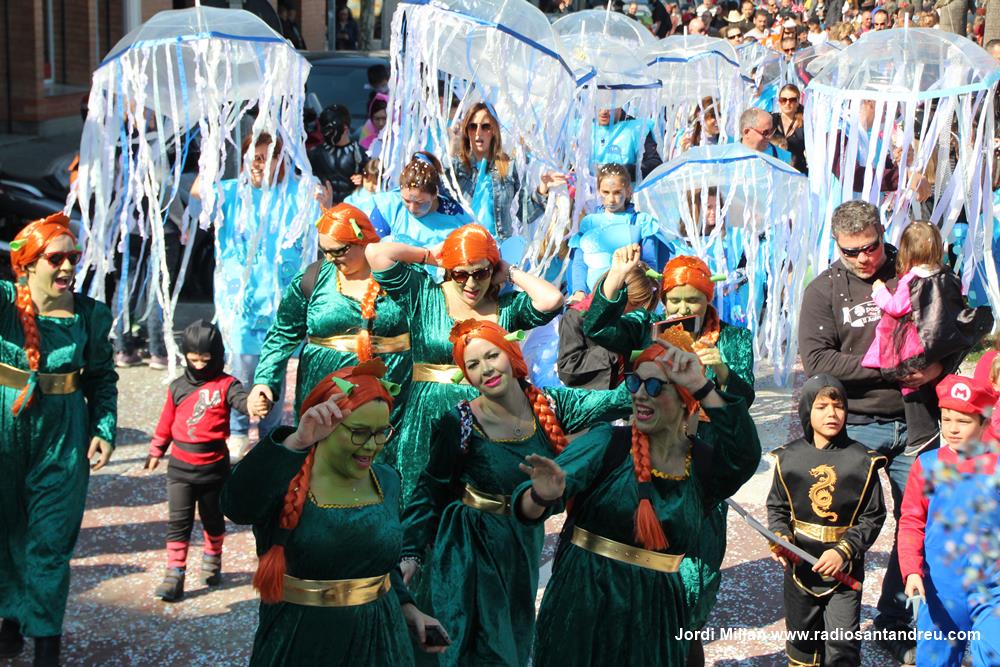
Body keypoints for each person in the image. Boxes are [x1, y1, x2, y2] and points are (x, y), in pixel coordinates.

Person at [400, 320, 632, 666]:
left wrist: (662, 362)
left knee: (514, 638)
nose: (485, 370)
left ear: (510, 354)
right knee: (475, 646)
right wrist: (410, 554)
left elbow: (617, 401)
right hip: (468, 545)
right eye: (473, 365)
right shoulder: (460, 422)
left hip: (521, 544)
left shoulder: (551, 404)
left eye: (491, 356)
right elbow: (430, 490)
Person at [514, 341, 760, 665]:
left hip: (657, 612)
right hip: (584, 600)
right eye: (635, 382)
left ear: (684, 398)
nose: (641, 393)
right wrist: (540, 495)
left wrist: (702, 386)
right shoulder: (607, 443)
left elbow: (745, 454)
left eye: (655, 385)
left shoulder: (702, 466)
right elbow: (527, 509)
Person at [222, 361, 447, 665]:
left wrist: (408, 608)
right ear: (325, 422)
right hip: (304, 640)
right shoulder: (286, 476)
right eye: (358, 432)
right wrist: (297, 441)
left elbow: (379, 558)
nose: (372, 446)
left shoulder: (387, 480)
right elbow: (236, 505)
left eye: (382, 432)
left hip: (383, 639)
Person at [797, 200, 934, 663]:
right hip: (855, 423)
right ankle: (830, 627)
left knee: (919, 523)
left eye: (872, 247)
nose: (863, 258)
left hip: (917, 419)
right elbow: (819, 362)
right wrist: (890, 366)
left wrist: (937, 364)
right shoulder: (824, 290)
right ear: (837, 246)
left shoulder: (915, 267)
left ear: (882, 233)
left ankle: (895, 620)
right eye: (851, 251)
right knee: (839, 523)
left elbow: (956, 327)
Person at [366, 224, 564, 500]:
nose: (471, 284)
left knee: (476, 496)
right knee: (419, 496)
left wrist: (510, 271)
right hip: (429, 415)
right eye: (460, 273)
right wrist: (428, 255)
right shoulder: (424, 294)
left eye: (481, 273)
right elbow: (375, 253)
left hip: (487, 415)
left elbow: (552, 299)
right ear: (449, 270)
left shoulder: (505, 308)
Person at [0, 213, 117, 666]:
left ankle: (46, 640)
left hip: (63, 434)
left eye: (73, 256)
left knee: (51, 538)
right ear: (28, 265)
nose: (68, 267)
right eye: (56, 258)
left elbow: (103, 378)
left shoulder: (89, 314)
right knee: (7, 528)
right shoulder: (7, 303)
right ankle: (11, 619)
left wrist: (104, 428)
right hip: (5, 430)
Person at [190, 132, 313, 459]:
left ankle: (271, 434)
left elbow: (322, 219)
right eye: (253, 157)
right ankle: (239, 430)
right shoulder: (231, 193)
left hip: (280, 305)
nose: (259, 164)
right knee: (243, 370)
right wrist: (211, 148)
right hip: (240, 305)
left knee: (274, 369)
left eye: (266, 157)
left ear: (280, 161)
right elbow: (196, 196)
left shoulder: (296, 195)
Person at [250, 204, 413, 429]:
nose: (330, 258)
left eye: (338, 251)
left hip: (390, 392)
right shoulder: (312, 278)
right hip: (322, 392)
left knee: (381, 455)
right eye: (324, 251)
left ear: (363, 240)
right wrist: (264, 380)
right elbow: (282, 333)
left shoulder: (399, 278)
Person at [766, 375, 887, 666]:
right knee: (801, 643)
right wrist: (781, 537)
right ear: (807, 409)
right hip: (800, 571)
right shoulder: (788, 458)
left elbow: (873, 516)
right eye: (822, 406)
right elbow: (778, 508)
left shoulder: (862, 460)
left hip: (844, 572)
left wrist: (842, 551)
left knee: (843, 646)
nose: (831, 413)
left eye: (838, 405)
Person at [861, 220, 993, 453]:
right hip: (939, 340)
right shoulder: (947, 275)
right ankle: (939, 424)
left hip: (913, 341)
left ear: (906, 251)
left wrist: (879, 291)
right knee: (932, 384)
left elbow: (895, 306)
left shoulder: (911, 280)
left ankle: (921, 433)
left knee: (909, 383)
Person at [898, 374, 1000, 667]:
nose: (953, 429)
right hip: (942, 588)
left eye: (963, 421)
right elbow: (911, 521)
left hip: (992, 588)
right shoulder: (927, 464)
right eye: (947, 419)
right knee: (936, 660)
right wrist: (911, 570)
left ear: (983, 423)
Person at [146, 320, 249, 602]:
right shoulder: (178, 386)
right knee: (178, 522)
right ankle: (174, 573)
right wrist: (156, 449)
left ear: (217, 356)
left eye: (207, 358)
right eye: (194, 359)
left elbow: (241, 400)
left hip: (214, 468)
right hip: (179, 468)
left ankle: (213, 559)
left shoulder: (227, 384)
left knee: (213, 519)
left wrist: (253, 402)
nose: (201, 365)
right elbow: (166, 420)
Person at [584, 249, 756, 410]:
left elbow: (744, 402)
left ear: (707, 300)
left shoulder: (735, 338)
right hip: (656, 435)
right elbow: (598, 328)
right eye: (675, 301)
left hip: (711, 438)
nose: (683, 309)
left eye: (692, 300)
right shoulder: (646, 327)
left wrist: (722, 371)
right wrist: (617, 275)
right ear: (664, 303)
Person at [566, 164, 670, 300]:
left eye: (617, 192)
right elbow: (579, 262)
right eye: (606, 192)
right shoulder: (589, 222)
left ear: (628, 191)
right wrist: (579, 291)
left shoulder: (641, 222)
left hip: (628, 299)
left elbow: (650, 264)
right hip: (592, 297)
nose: (611, 199)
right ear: (598, 190)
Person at [558, 262, 659, 390]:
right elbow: (568, 369)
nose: (637, 312)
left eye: (644, 307)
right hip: (592, 399)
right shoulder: (576, 316)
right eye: (634, 303)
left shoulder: (635, 323)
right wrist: (614, 346)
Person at [453, 102, 547, 241]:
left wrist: (543, 189)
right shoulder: (456, 167)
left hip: (497, 251)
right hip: (463, 247)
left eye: (485, 127)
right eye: (473, 126)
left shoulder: (509, 167)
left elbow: (524, 214)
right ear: (466, 131)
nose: (478, 133)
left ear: (494, 131)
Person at [369, 152, 473, 248]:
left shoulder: (456, 217)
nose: (412, 208)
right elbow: (372, 251)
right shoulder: (387, 208)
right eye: (406, 200)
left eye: (420, 202)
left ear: (434, 194)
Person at [309, 104, 367, 207]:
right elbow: (304, 177)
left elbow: (374, 181)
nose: (327, 134)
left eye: (330, 131)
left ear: (345, 129)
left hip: (350, 209)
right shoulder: (317, 153)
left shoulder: (359, 154)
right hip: (323, 208)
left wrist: (364, 180)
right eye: (325, 130)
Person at [771, 84, 807, 173]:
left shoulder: (805, 124)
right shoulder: (771, 120)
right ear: (779, 101)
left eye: (792, 100)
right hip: (773, 170)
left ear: (798, 102)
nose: (787, 103)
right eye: (783, 100)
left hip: (797, 173)